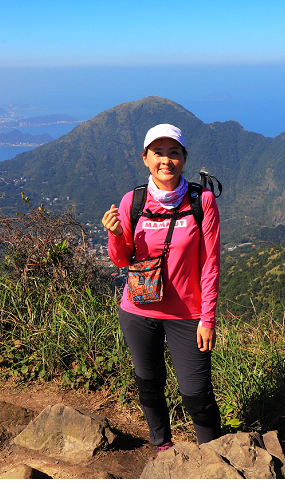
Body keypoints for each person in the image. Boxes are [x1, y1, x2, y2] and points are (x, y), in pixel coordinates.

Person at [101, 123, 222, 451]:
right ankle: (162, 447)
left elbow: (210, 264)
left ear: (184, 158)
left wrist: (208, 318)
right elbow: (121, 260)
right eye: (158, 153)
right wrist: (115, 234)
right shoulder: (133, 201)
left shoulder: (202, 201)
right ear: (145, 158)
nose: (165, 160)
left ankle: (213, 457)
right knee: (149, 383)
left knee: (197, 395)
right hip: (138, 310)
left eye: (173, 153)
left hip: (188, 315)